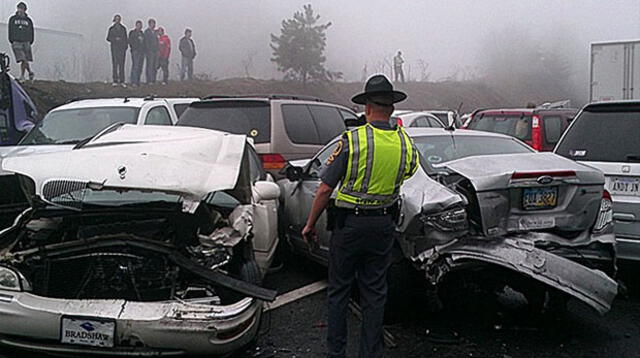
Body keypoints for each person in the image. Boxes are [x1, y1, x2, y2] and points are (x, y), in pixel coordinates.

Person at [302, 74, 419, 358]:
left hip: (349, 226)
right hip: (383, 225)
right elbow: (410, 171)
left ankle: (336, 352)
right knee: (375, 292)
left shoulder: (353, 140)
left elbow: (325, 188)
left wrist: (309, 224)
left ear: (367, 107)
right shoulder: (405, 142)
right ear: (391, 108)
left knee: (339, 290)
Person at [8, 2, 34, 81]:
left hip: (26, 42)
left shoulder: (28, 20)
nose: (20, 10)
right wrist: (11, 40)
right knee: (22, 58)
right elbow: (10, 29)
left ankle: (25, 75)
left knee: (25, 59)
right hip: (16, 41)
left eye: (22, 8)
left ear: (25, 10)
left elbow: (31, 31)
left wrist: (31, 40)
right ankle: (29, 72)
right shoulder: (13, 19)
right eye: (19, 8)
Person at [106, 14, 128, 87]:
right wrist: (115, 39)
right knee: (115, 64)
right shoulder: (111, 29)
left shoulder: (123, 28)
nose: (117, 20)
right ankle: (115, 80)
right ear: (114, 20)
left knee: (122, 65)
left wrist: (125, 47)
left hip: (122, 49)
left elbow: (125, 39)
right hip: (114, 48)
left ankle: (122, 80)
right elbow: (108, 38)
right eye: (116, 19)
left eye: (118, 19)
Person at [128, 20, 145, 87]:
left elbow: (145, 43)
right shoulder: (132, 33)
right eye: (138, 25)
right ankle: (133, 82)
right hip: (135, 51)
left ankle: (138, 81)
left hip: (142, 52)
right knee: (135, 66)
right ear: (136, 25)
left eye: (140, 25)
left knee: (140, 67)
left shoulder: (142, 34)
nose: (139, 26)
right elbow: (130, 41)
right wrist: (135, 47)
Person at [143, 18, 159, 84]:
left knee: (154, 66)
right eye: (152, 23)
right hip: (150, 51)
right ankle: (149, 80)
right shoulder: (147, 32)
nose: (153, 25)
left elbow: (157, 41)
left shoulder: (155, 32)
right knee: (150, 65)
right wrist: (148, 50)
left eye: (154, 23)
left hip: (155, 51)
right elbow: (146, 42)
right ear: (149, 24)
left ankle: (153, 79)